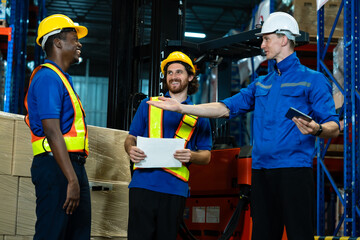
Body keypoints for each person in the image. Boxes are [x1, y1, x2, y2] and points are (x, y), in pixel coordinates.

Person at [148, 12, 340, 240]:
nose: (262, 44)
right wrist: (182, 108)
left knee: (299, 234)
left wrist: (317, 129)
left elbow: (333, 126)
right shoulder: (261, 84)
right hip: (261, 172)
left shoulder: (313, 79)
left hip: (294, 171)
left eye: (267, 39)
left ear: (284, 39)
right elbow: (224, 108)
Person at [124, 51, 212, 240]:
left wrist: (192, 156)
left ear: (190, 77)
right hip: (142, 186)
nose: (173, 76)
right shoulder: (148, 105)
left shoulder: (199, 114)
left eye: (179, 72)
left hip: (174, 189)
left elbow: (206, 155)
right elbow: (130, 137)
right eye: (169, 72)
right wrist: (130, 149)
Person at [24, 14, 91, 240]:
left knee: (77, 234)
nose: (79, 43)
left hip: (70, 166)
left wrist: (75, 176)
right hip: (57, 167)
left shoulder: (62, 78)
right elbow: (52, 131)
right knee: (52, 234)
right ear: (58, 42)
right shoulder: (47, 78)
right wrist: (71, 179)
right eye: (74, 38)